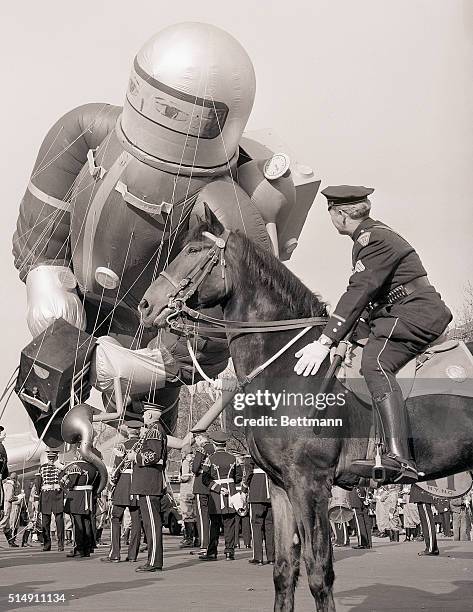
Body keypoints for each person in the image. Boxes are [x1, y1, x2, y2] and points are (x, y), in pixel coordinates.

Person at [294, 185, 452, 484]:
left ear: (340, 215)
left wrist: (325, 340)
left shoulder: (374, 238)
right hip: (397, 311)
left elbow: (359, 291)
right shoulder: (371, 236)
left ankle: (398, 457)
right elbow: (369, 297)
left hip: (412, 312)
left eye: (330, 213)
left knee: (374, 363)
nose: (332, 219)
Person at [129, 405, 167, 573]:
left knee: (152, 524)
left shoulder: (154, 431)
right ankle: (153, 560)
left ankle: (154, 562)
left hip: (149, 484)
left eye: (145, 413)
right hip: (148, 484)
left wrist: (135, 457)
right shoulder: (153, 430)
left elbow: (153, 456)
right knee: (150, 524)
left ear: (150, 415)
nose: (143, 416)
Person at [102, 423, 142, 563]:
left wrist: (112, 484)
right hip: (138, 484)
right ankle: (132, 555)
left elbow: (116, 469)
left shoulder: (123, 446)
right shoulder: (143, 445)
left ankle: (115, 554)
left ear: (128, 432)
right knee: (136, 521)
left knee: (115, 518)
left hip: (123, 483)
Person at [200, 431, 242, 561]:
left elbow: (205, 479)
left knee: (214, 524)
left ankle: (212, 552)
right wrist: (229, 484)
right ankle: (230, 552)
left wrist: (218, 488)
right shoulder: (233, 458)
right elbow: (239, 477)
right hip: (231, 492)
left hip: (216, 495)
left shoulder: (210, 458)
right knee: (229, 523)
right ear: (225, 444)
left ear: (214, 444)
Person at [61, 450, 99, 558]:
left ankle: (79, 548)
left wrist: (64, 482)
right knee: (86, 523)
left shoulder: (75, 467)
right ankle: (87, 549)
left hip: (77, 497)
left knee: (77, 524)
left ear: (78, 455)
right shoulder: (94, 468)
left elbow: (70, 484)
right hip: (89, 496)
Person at [242, 455, 274, 565]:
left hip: (256, 492)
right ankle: (271, 557)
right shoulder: (272, 452)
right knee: (270, 526)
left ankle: (258, 557)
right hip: (271, 492)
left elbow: (247, 474)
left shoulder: (252, 454)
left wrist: (244, 489)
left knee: (256, 525)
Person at [36, 449, 65, 552]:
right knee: (45, 523)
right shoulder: (42, 468)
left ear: (56, 456)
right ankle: (47, 544)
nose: (51, 459)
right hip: (46, 496)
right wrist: (36, 499)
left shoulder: (61, 467)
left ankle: (60, 544)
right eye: (50, 457)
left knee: (59, 522)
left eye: (53, 457)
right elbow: (38, 483)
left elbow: (64, 482)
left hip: (57, 494)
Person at [192, 432, 215, 555]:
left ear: (199, 438)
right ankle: (212, 545)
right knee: (213, 517)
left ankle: (204, 545)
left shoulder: (202, 449)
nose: (195, 441)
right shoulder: (215, 448)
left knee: (202, 516)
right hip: (214, 484)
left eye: (195, 438)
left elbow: (195, 468)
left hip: (201, 484)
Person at [409, 484, 439, 556]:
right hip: (421, 493)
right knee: (425, 522)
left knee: (427, 522)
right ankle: (433, 548)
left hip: (423, 493)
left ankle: (430, 548)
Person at [179, 446, 197, 549]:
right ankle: (198, 538)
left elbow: (185, 476)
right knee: (195, 515)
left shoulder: (186, 462)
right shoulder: (195, 460)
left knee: (187, 514)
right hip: (194, 489)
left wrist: (180, 478)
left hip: (186, 491)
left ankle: (188, 539)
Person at [0, 472, 21, 547]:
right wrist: (18, 497)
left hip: (4, 506)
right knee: (2, 524)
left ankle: (11, 542)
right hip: (7, 508)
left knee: (7, 527)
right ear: (15, 479)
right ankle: (11, 542)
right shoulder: (10, 486)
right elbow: (9, 498)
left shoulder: (5, 484)